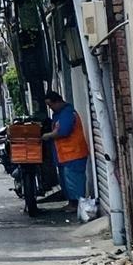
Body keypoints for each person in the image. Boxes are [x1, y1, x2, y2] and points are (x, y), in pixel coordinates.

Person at [42, 89, 91, 222]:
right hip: (64, 155)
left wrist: (48, 136)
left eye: (51, 105)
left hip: (74, 154)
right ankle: (72, 203)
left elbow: (63, 131)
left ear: (57, 102)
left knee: (75, 182)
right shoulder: (58, 114)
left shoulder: (67, 113)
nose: (50, 108)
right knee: (67, 182)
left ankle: (77, 205)